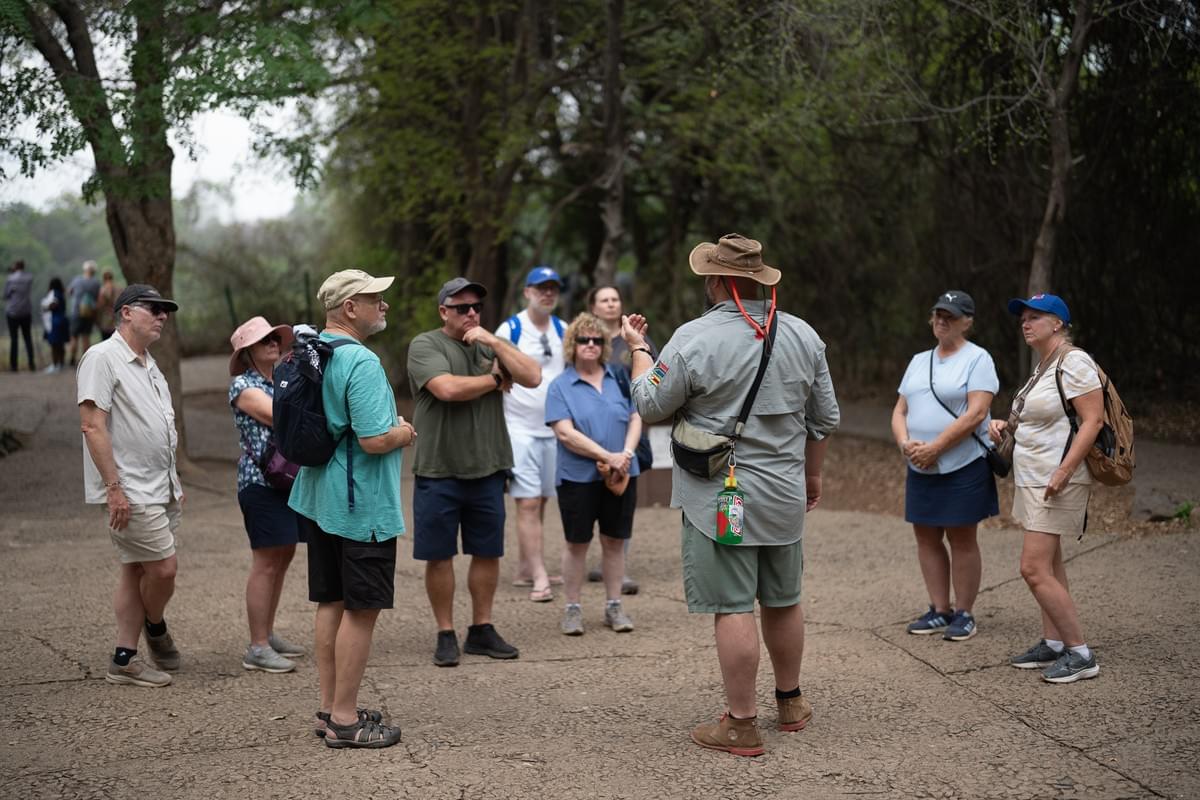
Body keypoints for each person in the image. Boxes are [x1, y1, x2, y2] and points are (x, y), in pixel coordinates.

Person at [624, 233, 839, 757]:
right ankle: (790, 702)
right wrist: (812, 479)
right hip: (785, 492)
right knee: (784, 597)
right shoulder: (804, 335)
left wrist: (637, 352)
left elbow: (649, 403)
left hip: (723, 499)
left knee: (734, 605)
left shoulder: (694, 337)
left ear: (717, 280)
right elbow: (824, 420)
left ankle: (742, 725)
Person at [288, 269, 413, 748]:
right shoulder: (359, 361)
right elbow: (375, 439)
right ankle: (345, 721)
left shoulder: (313, 352)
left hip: (320, 499)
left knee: (331, 601)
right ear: (349, 308)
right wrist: (404, 431)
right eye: (374, 298)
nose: (383, 305)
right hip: (361, 506)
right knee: (361, 610)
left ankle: (329, 707)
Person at [407, 277, 540, 667]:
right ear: (443, 311)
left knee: (487, 551)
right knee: (440, 555)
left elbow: (532, 376)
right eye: (461, 307)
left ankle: (481, 629)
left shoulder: (488, 343)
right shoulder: (425, 345)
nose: (470, 314)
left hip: (488, 465)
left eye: (476, 308)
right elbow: (446, 389)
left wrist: (496, 344)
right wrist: (496, 378)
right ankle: (445, 631)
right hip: (440, 468)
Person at [989, 293, 1103, 684]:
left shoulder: (1075, 362)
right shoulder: (1044, 366)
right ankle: (1054, 643)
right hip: (1034, 476)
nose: (1026, 322)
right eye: (1023, 317)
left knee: (1032, 567)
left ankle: (1081, 654)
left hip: (1056, 480)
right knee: (1051, 563)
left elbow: (1093, 421)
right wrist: (1007, 425)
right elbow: (1046, 419)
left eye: (1036, 317)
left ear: (1058, 323)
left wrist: (1065, 470)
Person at [78, 284, 184, 688]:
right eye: (154, 309)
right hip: (132, 489)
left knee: (134, 568)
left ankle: (124, 658)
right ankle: (155, 627)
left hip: (159, 486)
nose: (162, 316)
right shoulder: (102, 358)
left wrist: (173, 480)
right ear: (125, 312)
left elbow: (156, 427)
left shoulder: (148, 362)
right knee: (164, 568)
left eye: (165, 311)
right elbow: (92, 425)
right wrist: (114, 489)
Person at [891, 290, 999, 642]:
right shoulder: (919, 360)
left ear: (967, 322)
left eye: (950, 316)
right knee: (925, 535)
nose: (941, 320)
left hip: (962, 463)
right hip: (920, 464)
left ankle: (965, 612)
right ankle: (940, 609)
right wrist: (906, 444)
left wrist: (937, 447)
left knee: (961, 536)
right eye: (938, 314)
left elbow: (977, 412)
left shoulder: (977, 359)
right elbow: (900, 410)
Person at [545, 312, 642, 635]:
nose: (590, 344)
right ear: (572, 345)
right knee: (577, 543)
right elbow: (565, 433)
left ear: (604, 346)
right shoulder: (560, 386)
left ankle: (614, 606)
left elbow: (636, 416)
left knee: (615, 541)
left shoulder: (619, 377)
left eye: (597, 340)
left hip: (622, 473)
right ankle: (572, 608)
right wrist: (607, 456)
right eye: (583, 339)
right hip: (578, 477)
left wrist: (625, 454)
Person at [228, 316, 305, 674]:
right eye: (264, 341)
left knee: (284, 554)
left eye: (275, 338)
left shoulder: (283, 380)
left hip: (288, 483)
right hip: (260, 483)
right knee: (266, 561)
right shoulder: (243, 386)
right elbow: (278, 416)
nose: (273, 343)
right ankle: (257, 647)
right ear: (247, 352)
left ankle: (267, 633)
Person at [494, 266, 567, 602]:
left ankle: (527, 566)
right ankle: (539, 576)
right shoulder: (510, 329)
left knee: (542, 500)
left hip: (553, 428)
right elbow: (494, 374)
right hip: (518, 427)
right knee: (526, 502)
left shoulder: (563, 329)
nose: (547, 294)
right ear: (527, 292)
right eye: (541, 288)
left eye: (553, 288)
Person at [584, 284, 657, 594]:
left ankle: (618, 566)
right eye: (604, 300)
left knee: (623, 493)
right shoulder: (586, 339)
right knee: (592, 496)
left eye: (615, 299)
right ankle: (602, 561)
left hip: (630, 425)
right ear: (593, 307)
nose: (611, 304)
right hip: (594, 430)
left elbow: (655, 376)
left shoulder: (635, 339)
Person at [67, 260, 101, 365]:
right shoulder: (96, 283)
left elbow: (69, 291)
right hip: (89, 313)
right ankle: (85, 361)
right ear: (94, 271)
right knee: (86, 337)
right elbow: (97, 297)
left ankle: (72, 360)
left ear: (84, 269)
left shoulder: (77, 280)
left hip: (76, 312)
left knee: (74, 337)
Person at [5, 260, 36, 372]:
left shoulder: (10, 279)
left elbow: (6, 295)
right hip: (26, 311)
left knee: (14, 339)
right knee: (27, 338)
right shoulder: (29, 278)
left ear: (15, 267)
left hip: (12, 312)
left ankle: (14, 366)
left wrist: (11, 274)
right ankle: (31, 364)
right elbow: (27, 278)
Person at [41, 277, 69, 373]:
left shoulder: (54, 293)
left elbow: (53, 304)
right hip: (62, 319)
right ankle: (61, 364)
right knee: (60, 344)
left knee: (54, 344)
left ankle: (54, 364)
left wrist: (45, 306)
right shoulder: (61, 293)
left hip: (55, 321)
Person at [96, 271, 119, 340]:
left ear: (103, 278)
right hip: (116, 319)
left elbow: (100, 306)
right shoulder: (119, 289)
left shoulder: (103, 290)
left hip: (106, 319)